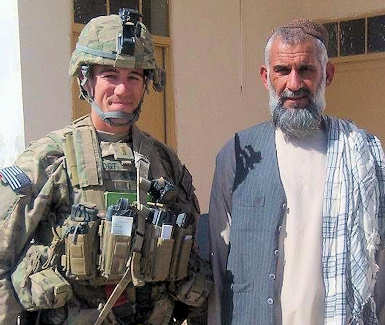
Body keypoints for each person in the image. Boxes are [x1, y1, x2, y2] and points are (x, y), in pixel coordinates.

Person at [0, 9, 211, 325]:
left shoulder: (163, 162)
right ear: (86, 79)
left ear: (146, 84)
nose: (122, 90)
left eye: (133, 77)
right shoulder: (50, 159)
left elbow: (189, 257)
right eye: (110, 76)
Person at [208, 19, 385, 325]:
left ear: (327, 75)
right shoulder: (238, 154)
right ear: (265, 77)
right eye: (282, 71)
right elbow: (217, 263)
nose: (293, 84)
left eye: (306, 70)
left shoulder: (363, 154)